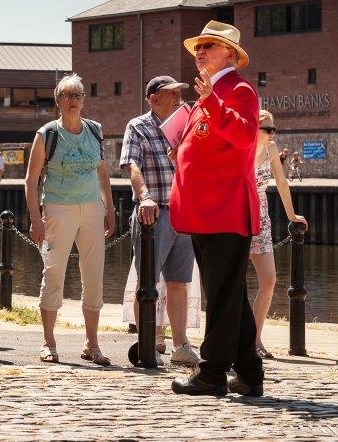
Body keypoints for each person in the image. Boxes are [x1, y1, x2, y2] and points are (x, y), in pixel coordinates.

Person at [169, 21, 265, 397]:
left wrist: (210, 101)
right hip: (207, 209)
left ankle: (211, 374)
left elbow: (243, 136)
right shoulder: (210, 92)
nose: (200, 52)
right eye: (198, 47)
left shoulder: (237, 89)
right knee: (230, 295)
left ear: (229, 53)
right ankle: (250, 374)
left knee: (223, 295)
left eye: (209, 46)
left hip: (225, 208)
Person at [25, 74, 116, 366]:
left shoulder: (95, 130)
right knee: (53, 274)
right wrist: (36, 219)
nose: (72, 101)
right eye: (66, 96)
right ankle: (48, 342)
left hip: (91, 207)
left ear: (83, 100)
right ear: (58, 101)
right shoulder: (47, 133)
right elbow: (31, 180)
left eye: (77, 95)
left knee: (94, 276)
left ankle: (92, 343)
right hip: (58, 208)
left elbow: (102, 172)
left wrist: (110, 207)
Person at [120, 75, 200, 366]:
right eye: (173, 94)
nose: (179, 98)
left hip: (184, 213)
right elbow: (131, 165)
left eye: (181, 93)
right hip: (153, 215)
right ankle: (148, 344)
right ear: (154, 99)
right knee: (148, 282)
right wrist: (144, 197)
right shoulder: (137, 126)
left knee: (179, 283)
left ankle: (181, 345)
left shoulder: (187, 126)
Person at [251, 109, 309, 358]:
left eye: (274, 129)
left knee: (269, 279)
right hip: (236, 215)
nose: (272, 133)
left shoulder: (272, 149)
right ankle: (232, 339)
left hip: (261, 217)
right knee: (231, 283)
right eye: (268, 129)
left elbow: (282, 182)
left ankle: (255, 339)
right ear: (254, 128)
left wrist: (291, 215)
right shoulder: (240, 148)